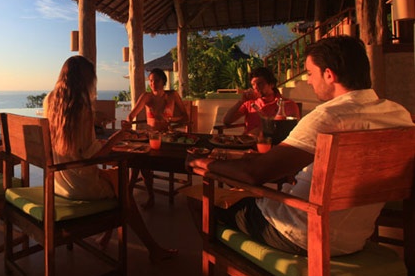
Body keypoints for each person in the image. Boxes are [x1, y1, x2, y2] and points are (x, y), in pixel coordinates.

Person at [189, 36, 414, 258]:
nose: (308, 81)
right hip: (355, 237)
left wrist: (203, 163)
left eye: (310, 73)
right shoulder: (399, 115)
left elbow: (253, 174)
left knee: (198, 200)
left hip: (301, 231)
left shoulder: (328, 116)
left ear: (329, 75)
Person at [45, 55, 177, 262]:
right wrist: (117, 138)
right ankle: (153, 249)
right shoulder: (83, 109)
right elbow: (94, 156)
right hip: (80, 185)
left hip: (58, 181)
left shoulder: (50, 101)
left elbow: (71, 141)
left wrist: (95, 132)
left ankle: (109, 237)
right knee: (122, 183)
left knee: (117, 180)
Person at [122, 68, 189, 208]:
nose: (153, 84)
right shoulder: (147, 97)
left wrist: (171, 119)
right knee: (139, 160)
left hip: (168, 138)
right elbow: (131, 115)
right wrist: (128, 123)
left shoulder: (172, 95)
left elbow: (185, 117)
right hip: (150, 137)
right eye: (151, 81)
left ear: (163, 81)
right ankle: (142, 194)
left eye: (156, 80)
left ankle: (130, 192)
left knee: (139, 162)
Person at [222, 66, 301, 135]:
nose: (256, 88)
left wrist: (259, 131)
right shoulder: (249, 103)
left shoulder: (287, 105)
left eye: (260, 84)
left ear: (271, 84)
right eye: (253, 85)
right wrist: (241, 101)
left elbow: (293, 131)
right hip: (248, 142)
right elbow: (226, 121)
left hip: (271, 143)